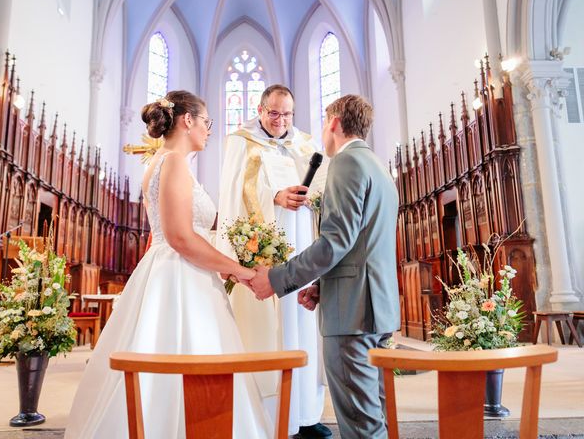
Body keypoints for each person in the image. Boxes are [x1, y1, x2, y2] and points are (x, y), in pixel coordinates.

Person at [65, 91, 271, 438]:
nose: (209, 130)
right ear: (187, 120)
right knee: (188, 363)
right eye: (206, 122)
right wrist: (241, 270)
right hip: (180, 277)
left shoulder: (163, 160)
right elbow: (180, 238)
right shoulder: (173, 161)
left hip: (176, 271)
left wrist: (221, 262)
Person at [249, 94, 401, 439]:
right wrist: (322, 286)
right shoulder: (376, 165)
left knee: (361, 423)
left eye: (323, 123)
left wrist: (276, 278)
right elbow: (362, 244)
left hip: (353, 313)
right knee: (373, 414)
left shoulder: (346, 164)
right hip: (372, 305)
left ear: (333, 122)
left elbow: (335, 241)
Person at [216, 85, 330, 438]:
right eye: (274, 113)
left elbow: (325, 189)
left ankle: (307, 415)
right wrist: (275, 196)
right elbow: (235, 192)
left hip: (303, 248)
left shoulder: (307, 144)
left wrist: (312, 196)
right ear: (260, 110)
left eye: (287, 114)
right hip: (264, 250)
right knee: (267, 332)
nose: (281, 121)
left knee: (303, 327)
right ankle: (269, 417)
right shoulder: (241, 142)